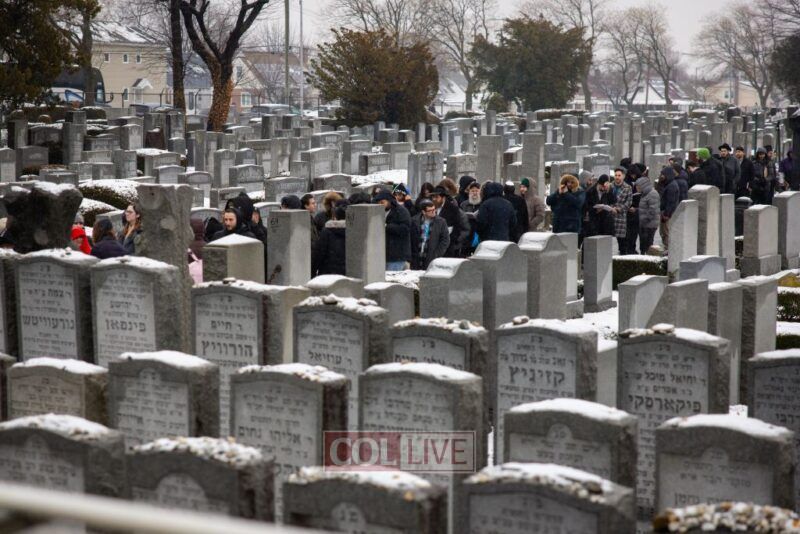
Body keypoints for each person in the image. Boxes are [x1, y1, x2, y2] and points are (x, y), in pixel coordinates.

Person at [373, 190, 412, 271]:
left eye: (382, 202)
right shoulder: (379, 212)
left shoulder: (401, 211)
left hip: (397, 255)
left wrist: (387, 226)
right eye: (378, 203)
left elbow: (405, 229)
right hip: (383, 254)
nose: (380, 205)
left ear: (389, 200)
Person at [312, 200, 348, 277]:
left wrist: (313, 272)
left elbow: (318, 254)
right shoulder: (355, 231)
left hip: (328, 274)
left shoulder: (326, 231)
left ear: (335, 216)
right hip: (349, 274)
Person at [410, 199, 450, 269]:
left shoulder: (441, 222)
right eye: (430, 210)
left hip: (431, 256)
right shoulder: (414, 220)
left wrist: (437, 254)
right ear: (423, 212)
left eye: (434, 209)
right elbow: (410, 238)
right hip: (416, 255)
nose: (433, 212)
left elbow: (445, 240)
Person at [430, 184, 468, 257]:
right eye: (433, 197)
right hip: (432, 244)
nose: (434, 199)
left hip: (448, 246)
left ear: (443, 198)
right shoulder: (430, 207)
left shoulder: (453, 209)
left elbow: (457, 227)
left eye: (436, 197)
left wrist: (452, 241)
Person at [582, 174, 615, 240]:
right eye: (602, 186)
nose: (603, 188)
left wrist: (608, 191)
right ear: (598, 184)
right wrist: (596, 210)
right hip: (594, 221)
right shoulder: (590, 191)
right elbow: (586, 207)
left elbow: (613, 201)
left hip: (605, 221)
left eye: (605, 187)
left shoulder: (609, 190)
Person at [635, 175, 660, 254]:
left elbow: (653, 210)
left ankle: (648, 257)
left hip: (649, 225)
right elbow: (645, 207)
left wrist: (644, 219)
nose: (636, 188)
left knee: (648, 244)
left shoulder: (652, 194)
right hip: (644, 223)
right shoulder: (644, 194)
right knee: (643, 244)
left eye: (638, 187)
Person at [610, 168, 632, 254]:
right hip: (610, 215)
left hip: (620, 216)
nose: (617, 177)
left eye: (619, 175)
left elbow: (629, 202)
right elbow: (606, 198)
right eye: (615, 175)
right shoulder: (610, 186)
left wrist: (619, 209)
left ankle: (622, 255)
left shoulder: (628, 187)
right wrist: (611, 208)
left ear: (623, 176)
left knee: (622, 241)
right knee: (607, 237)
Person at [659, 167, 681, 249]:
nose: (661, 176)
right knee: (664, 232)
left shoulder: (672, 186)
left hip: (667, 214)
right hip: (666, 212)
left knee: (666, 232)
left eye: (663, 174)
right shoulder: (669, 184)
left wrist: (666, 214)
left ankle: (668, 249)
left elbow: (671, 202)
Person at [460, 180, 481, 255]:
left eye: (476, 191)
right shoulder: (463, 204)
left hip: (479, 233)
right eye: (472, 191)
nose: (474, 193)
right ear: (469, 192)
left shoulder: (483, 204)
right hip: (467, 234)